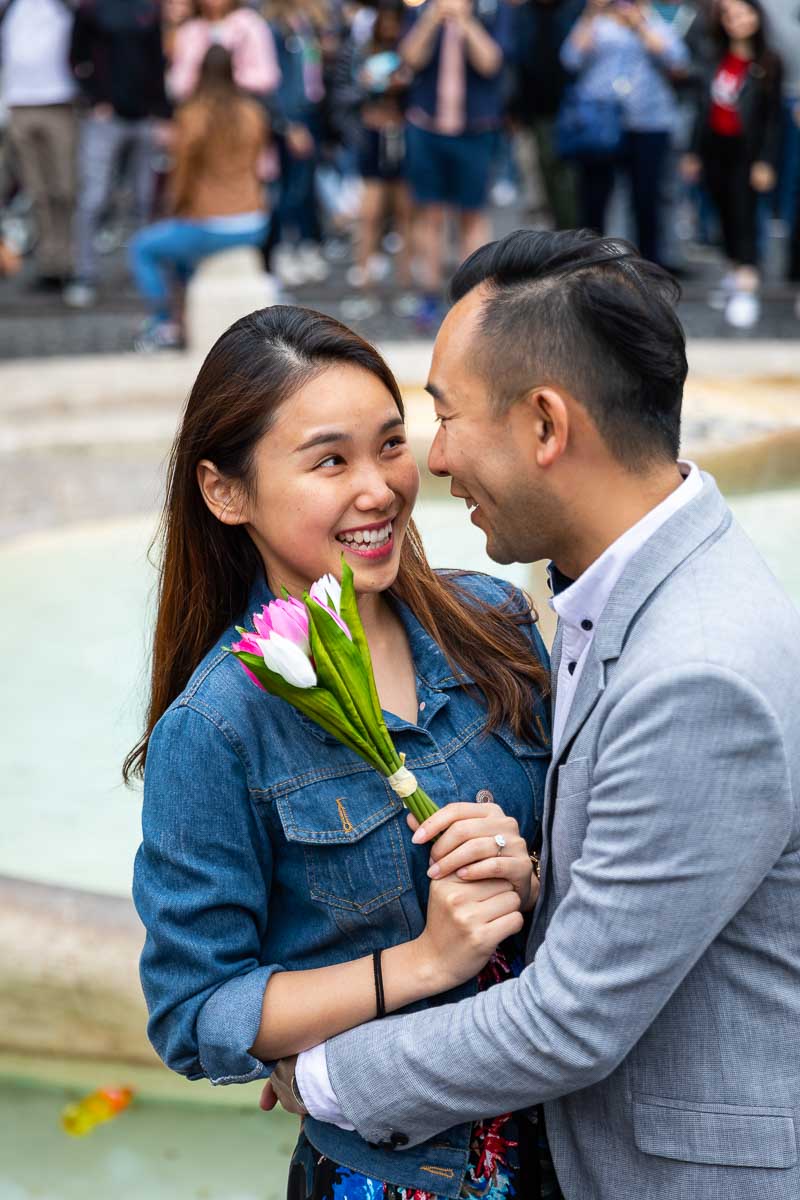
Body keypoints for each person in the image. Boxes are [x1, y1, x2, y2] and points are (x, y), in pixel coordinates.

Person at [261, 228, 800, 1200]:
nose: (433, 460)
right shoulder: (627, 587)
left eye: (446, 415)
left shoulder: (698, 675)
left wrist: (325, 1073)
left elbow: (569, 1023)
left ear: (545, 426)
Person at [130, 307, 556, 1194]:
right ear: (225, 491)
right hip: (398, 1174)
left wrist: (529, 875)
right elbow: (195, 1010)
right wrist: (424, 961)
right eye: (331, 460)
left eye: (391, 444)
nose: (380, 489)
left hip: (579, 1144)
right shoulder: (216, 730)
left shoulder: (499, 627)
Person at [128, 45, 270, 351]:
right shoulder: (253, 113)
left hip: (212, 224)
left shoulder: (193, 115)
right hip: (255, 220)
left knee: (143, 248)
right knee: (181, 253)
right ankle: (184, 317)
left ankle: (164, 324)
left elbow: (182, 176)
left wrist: (173, 207)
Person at [399, 0, 513, 332]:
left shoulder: (493, 8)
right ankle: (428, 296)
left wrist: (465, 21)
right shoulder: (421, 7)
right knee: (429, 213)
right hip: (425, 124)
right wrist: (433, 18)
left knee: (472, 214)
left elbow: (491, 61)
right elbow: (410, 58)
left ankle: (474, 297)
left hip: (476, 128)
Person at [561, 0, 689, 266]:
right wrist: (592, 11)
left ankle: (648, 264)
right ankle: (589, 262)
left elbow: (677, 59)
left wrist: (640, 24)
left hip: (648, 122)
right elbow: (570, 57)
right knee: (594, 197)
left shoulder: (654, 21)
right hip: (599, 122)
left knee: (646, 199)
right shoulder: (597, 22)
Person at [682, 0, 782, 329]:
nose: (736, 21)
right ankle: (732, 273)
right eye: (729, 15)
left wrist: (766, 160)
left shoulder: (768, 62)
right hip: (715, 150)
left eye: (742, 14)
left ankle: (747, 285)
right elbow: (702, 109)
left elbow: (771, 121)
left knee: (745, 218)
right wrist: (693, 152)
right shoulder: (715, 57)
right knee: (720, 216)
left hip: (747, 153)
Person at [66, 0, 171, 309]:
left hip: (143, 117)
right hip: (107, 118)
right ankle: (84, 273)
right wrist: (94, 98)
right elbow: (76, 56)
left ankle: (142, 274)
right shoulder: (92, 9)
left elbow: (156, 60)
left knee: (144, 200)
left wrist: (162, 112)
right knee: (94, 196)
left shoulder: (147, 9)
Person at [0, 0, 78, 293]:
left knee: (65, 189)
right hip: (20, 104)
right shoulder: (11, 7)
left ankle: (70, 260)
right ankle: (51, 263)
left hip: (58, 102)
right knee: (39, 192)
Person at [263, 0, 331, 287]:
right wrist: (288, 125)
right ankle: (282, 251)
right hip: (291, 119)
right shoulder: (274, 29)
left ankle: (305, 246)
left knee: (305, 188)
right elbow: (275, 84)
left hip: (310, 113)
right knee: (287, 190)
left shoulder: (305, 23)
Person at [509, 0, 583, 231]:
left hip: (575, 110)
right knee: (545, 178)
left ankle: (576, 237)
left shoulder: (575, 10)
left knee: (573, 182)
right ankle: (559, 237)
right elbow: (518, 63)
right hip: (537, 112)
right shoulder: (523, 14)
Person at [166, 0, 280, 101]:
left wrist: (227, 79)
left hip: (243, 105)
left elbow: (267, 77)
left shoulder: (250, 25)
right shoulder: (189, 32)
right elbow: (177, 85)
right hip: (201, 109)